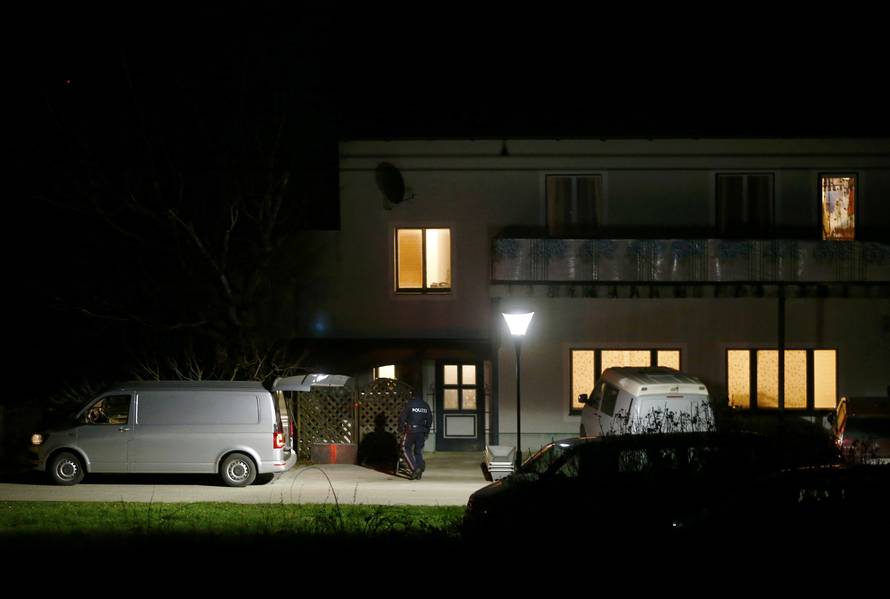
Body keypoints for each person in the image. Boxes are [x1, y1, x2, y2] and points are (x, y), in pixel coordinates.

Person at [398, 390, 433, 479]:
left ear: (412, 396)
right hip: (421, 431)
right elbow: (429, 419)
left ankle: (415, 468)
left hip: (410, 431)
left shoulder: (409, 404)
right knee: (418, 451)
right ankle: (420, 468)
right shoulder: (425, 405)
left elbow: (402, 417)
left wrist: (401, 429)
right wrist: (427, 431)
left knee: (405, 449)